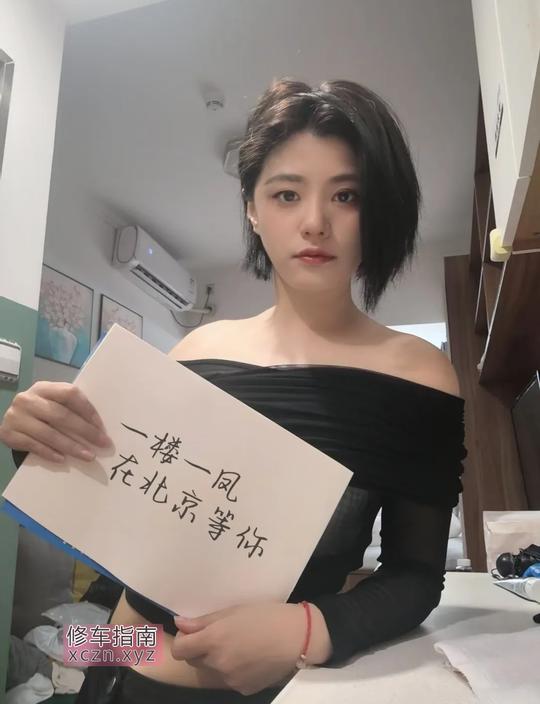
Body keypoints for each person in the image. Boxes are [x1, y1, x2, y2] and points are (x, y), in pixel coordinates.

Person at [1, 77, 467, 703]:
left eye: (346, 195)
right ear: (252, 207)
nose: (314, 223)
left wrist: (311, 628)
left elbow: (416, 575)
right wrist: (41, 443)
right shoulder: (196, 350)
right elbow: (125, 522)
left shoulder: (417, 375)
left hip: (280, 691)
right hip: (119, 668)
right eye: (286, 194)